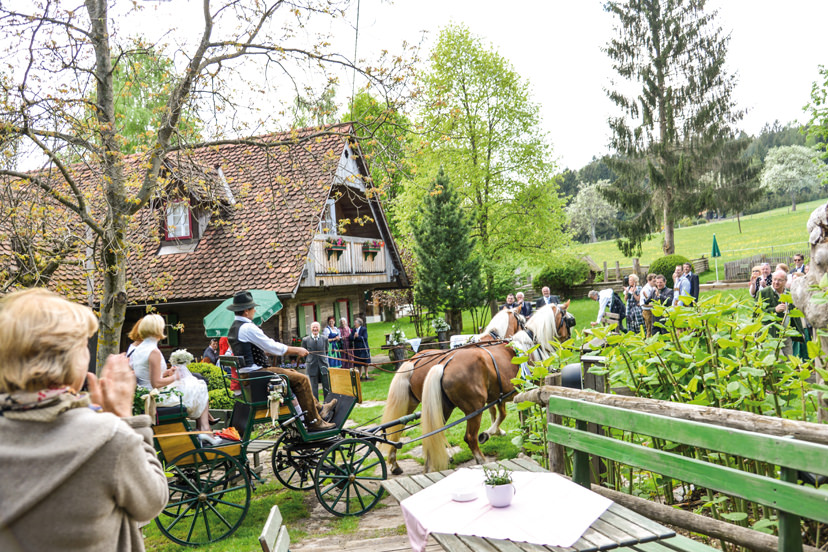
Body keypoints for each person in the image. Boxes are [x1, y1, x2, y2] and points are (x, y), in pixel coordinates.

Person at [0, 288, 168, 552]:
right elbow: (153, 501)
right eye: (84, 345)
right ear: (72, 359)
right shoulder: (109, 439)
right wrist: (126, 420)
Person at [225, 290, 336, 431]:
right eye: (253, 308)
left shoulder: (234, 328)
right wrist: (297, 350)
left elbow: (248, 349)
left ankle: (319, 409)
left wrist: (265, 351)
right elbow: (272, 346)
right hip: (255, 375)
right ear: (246, 311)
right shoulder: (248, 327)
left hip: (248, 374)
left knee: (290, 372)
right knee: (302, 379)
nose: (254, 310)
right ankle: (314, 422)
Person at [131, 315, 215, 440]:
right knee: (200, 385)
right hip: (157, 397)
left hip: (147, 394)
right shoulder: (153, 351)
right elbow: (156, 383)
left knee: (195, 384)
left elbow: (147, 375)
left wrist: (167, 373)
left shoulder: (138, 349)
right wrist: (176, 376)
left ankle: (202, 429)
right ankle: (204, 429)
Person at [759, 270, 802, 357]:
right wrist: (774, 310)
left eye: (780, 280)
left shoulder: (789, 294)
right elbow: (757, 313)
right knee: (778, 359)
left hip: (785, 332)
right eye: (774, 279)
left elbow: (796, 314)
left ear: (785, 281)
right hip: (771, 334)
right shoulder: (764, 293)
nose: (776, 282)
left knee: (789, 359)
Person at [301, 321, 331, 400]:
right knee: (313, 387)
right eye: (313, 327)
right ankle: (316, 405)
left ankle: (327, 403)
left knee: (326, 385)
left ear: (319, 328)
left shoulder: (324, 339)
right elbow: (304, 354)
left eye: (316, 327)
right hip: (311, 366)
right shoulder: (305, 340)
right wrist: (309, 360)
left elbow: (326, 350)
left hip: (323, 365)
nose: (315, 329)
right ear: (311, 329)